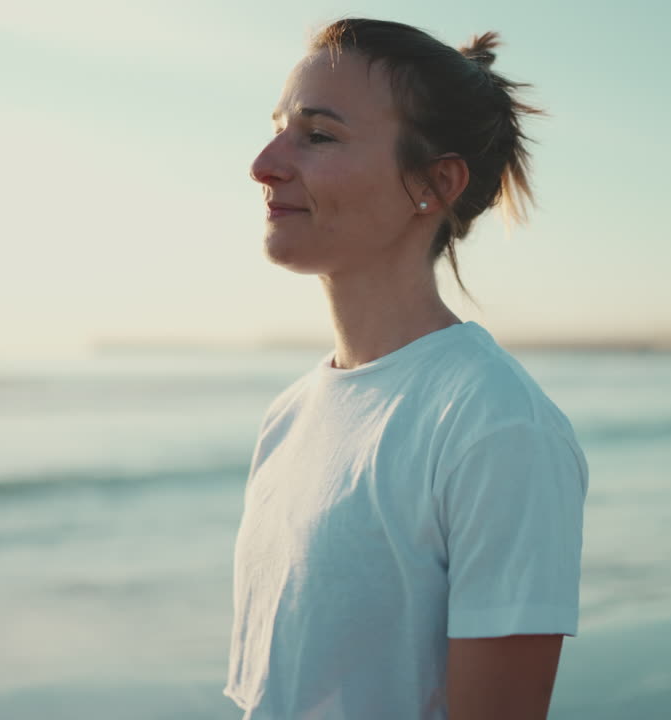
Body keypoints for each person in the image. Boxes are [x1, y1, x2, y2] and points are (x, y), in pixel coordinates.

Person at [225, 18, 589, 720]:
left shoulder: (495, 427)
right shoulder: (291, 416)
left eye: (318, 135)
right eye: (277, 128)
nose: (264, 162)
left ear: (435, 184)